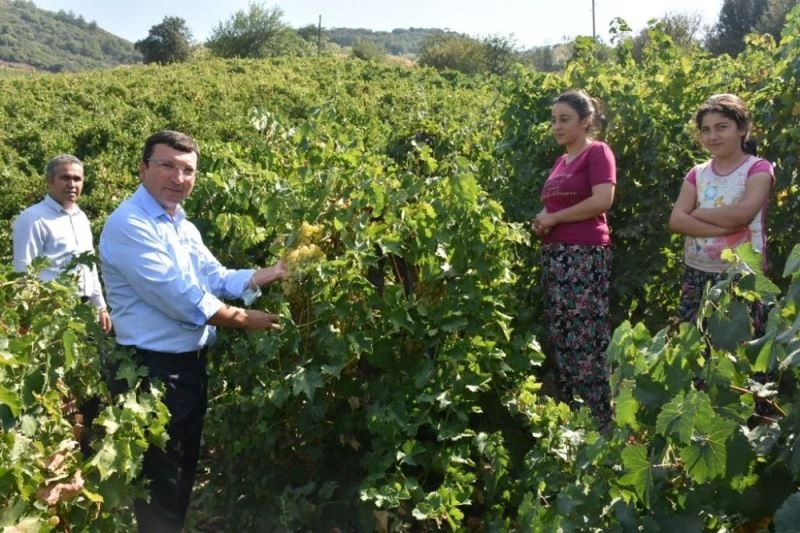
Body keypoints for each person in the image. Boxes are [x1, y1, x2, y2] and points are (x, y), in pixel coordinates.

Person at [99, 130, 287, 531]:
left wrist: (268, 274)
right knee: (160, 478)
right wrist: (244, 320)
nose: (178, 177)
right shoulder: (129, 225)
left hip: (188, 369)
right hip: (152, 373)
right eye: (167, 165)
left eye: (188, 170)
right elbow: (183, 299)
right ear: (143, 168)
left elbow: (215, 277)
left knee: (182, 465)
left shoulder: (180, 224)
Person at [531, 89, 616, 426]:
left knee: (586, 332)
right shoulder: (560, 161)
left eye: (564, 119)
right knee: (563, 332)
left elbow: (602, 200)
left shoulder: (597, 152)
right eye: (554, 120)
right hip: (557, 254)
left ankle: (598, 419)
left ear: (585, 121)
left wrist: (554, 219)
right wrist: (542, 219)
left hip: (585, 254)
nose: (557, 126)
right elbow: (553, 205)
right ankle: (572, 415)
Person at [668, 94, 773, 329]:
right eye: (706, 130)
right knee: (697, 345)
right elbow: (676, 221)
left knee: (742, 346)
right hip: (697, 273)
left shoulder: (757, 168)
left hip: (742, 276)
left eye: (721, 127)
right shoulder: (698, 172)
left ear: (742, 128)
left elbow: (744, 213)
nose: (712, 136)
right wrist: (727, 226)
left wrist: (696, 213)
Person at [12, 154, 112, 334]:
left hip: (84, 311)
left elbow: (88, 268)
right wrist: (27, 321)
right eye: (65, 177)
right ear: (49, 181)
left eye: (77, 179)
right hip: (51, 315)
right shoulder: (32, 219)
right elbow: (24, 274)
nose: (72, 184)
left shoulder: (81, 217)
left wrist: (100, 307)